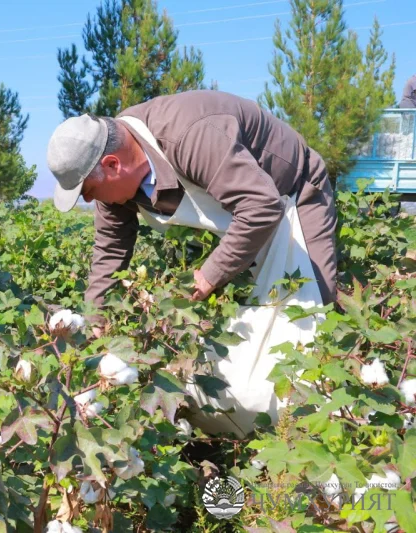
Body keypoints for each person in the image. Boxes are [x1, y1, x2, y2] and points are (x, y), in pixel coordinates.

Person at [46, 90, 337, 436]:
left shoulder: (190, 135)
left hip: (292, 198)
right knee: (247, 332)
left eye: (88, 191)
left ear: (112, 165)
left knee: (311, 321)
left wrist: (209, 275)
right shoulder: (114, 175)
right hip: (242, 215)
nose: (90, 200)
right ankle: (249, 433)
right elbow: (109, 252)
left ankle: (322, 436)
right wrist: (94, 323)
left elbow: (261, 206)